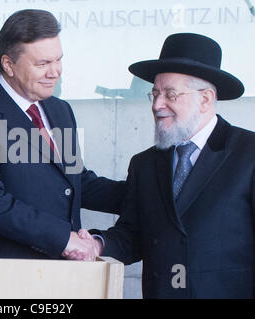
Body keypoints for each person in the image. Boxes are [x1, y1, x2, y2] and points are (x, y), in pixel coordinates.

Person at [67, 33, 254, 298]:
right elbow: (132, 236)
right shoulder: (145, 164)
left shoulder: (248, 154)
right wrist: (97, 244)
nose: (157, 105)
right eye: (154, 93)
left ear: (205, 99)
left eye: (170, 94)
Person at [0, 9, 126, 260]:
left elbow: (73, 180)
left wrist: (141, 193)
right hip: (8, 275)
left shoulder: (60, 110)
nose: (55, 72)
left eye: (58, 60)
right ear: (8, 64)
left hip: (66, 272)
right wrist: (62, 238)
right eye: (43, 64)